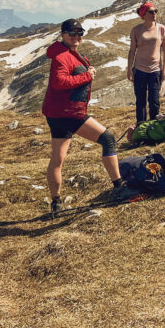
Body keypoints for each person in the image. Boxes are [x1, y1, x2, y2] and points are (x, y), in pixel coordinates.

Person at [42, 18, 135, 216]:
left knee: (58, 159)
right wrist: (88, 75)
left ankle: (56, 203)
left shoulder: (66, 53)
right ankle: (118, 188)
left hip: (58, 113)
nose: (76, 37)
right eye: (72, 33)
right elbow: (60, 82)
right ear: (63, 35)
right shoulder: (61, 57)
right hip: (70, 114)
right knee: (108, 139)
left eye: (80, 33)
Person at [126, 1, 165, 124]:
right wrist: (129, 69)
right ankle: (141, 127)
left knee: (154, 101)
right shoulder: (136, 30)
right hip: (139, 70)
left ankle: (153, 127)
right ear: (143, 15)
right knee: (140, 101)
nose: (154, 14)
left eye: (155, 11)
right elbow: (132, 50)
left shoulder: (161, 29)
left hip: (155, 70)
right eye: (151, 12)